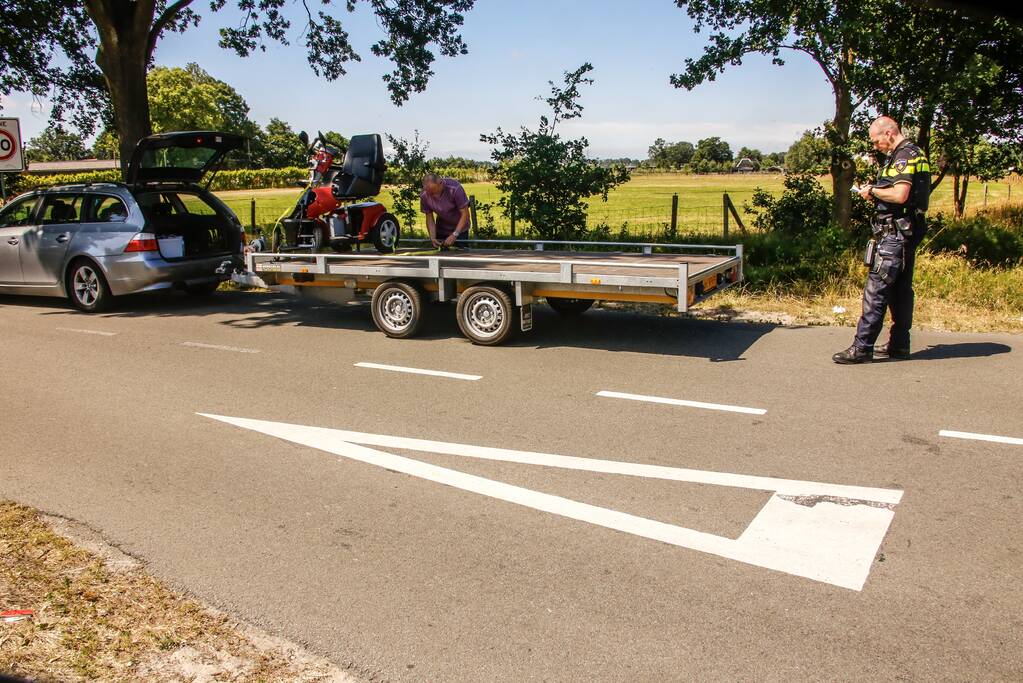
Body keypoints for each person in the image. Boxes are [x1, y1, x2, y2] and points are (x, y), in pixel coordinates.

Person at [833, 116, 931, 364]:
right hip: (907, 231)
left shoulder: (903, 155)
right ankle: (899, 345)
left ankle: (862, 347)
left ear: (889, 133)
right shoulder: (916, 153)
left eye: (877, 141)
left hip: (895, 234)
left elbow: (900, 194)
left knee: (876, 289)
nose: (876, 146)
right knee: (900, 291)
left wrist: (873, 190)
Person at [420, 173, 470, 249]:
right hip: (441, 229)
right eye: (429, 192)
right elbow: (429, 218)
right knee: (441, 257)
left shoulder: (455, 188)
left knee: (461, 255)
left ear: (441, 183)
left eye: (434, 192)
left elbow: (465, 214)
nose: (432, 195)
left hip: (460, 229)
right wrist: (433, 237)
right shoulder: (424, 195)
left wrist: (455, 234)